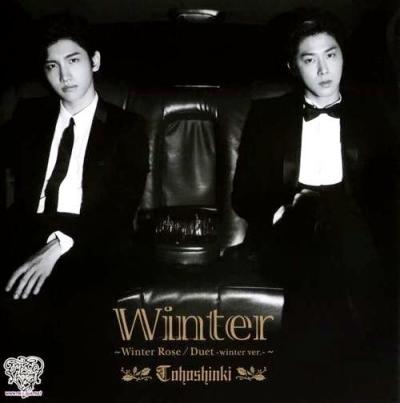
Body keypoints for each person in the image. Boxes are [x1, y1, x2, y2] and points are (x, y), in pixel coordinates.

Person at [232, 7, 397, 398]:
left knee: (342, 235)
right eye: (310, 60)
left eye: (331, 55)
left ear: (343, 57)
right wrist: (282, 212)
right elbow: (244, 194)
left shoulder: (373, 112)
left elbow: (387, 193)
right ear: (294, 66)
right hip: (291, 224)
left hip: (353, 227)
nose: (324, 69)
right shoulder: (268, 115)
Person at [0, 13, 148, 395]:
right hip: (27, 229)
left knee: (74, 314)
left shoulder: (128, 127)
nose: (64, 75)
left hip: (93, 235)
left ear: (94, 61)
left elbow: (120, 208)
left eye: (73, 60)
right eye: (52, 66)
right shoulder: (28, 116)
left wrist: (57, 246)